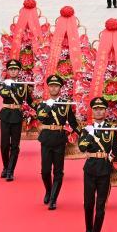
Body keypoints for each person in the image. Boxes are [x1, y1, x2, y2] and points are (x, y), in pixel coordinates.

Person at [78, 97, 117, 232]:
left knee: (101, 204)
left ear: (105, 111)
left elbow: (116, 151)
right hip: (90, 168)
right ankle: (88, 230)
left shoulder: (111, 129)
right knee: (88, 203)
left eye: (101, 109)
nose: (98, 111)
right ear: (93, 111)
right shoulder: (86, 129)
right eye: (95, 109)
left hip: (104, 169)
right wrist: (90, 134)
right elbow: (82, 148)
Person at [35, 74, 79, 209]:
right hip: (47, 138)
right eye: (52, 86)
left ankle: (53, 199)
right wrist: (48, 106)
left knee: (58, 171)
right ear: (48, 88)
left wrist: (83, 134)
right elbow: (40, 118)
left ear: (60, 88)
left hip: (59, 139)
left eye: (56, 86)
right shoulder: (43, 104)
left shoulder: (65, 104)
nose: (54, 88)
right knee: (45, 171)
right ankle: (48, 190)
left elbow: (73, 123)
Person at [0, 59, 31, 181]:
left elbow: (30, 101)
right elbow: (3, 93)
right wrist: (9, 85)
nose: (13, 71)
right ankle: (5, 167)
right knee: (4, 145)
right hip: (5, 115)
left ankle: (10, 171)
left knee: (15, 145)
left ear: (19, 71)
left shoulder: (24, 85)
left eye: (15, 69)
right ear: (8, 71)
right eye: (11, 69)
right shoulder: (3, 83)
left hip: (17, 115)